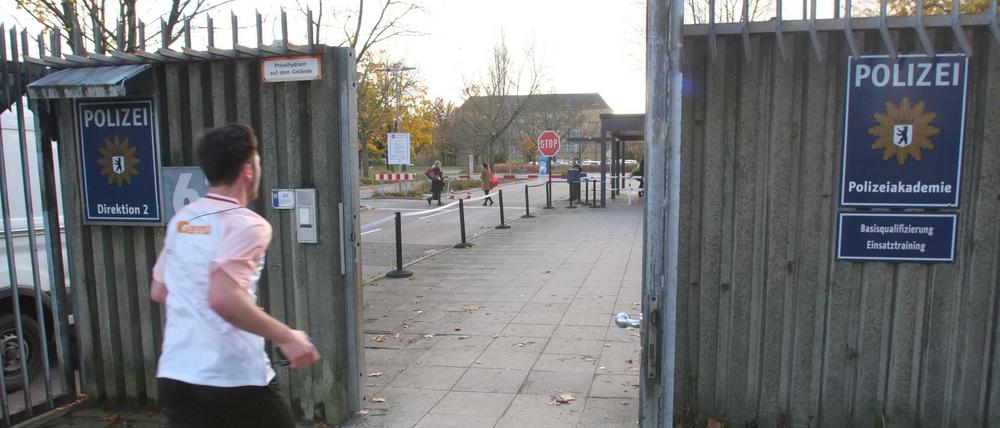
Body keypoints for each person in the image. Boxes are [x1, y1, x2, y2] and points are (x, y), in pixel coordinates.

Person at [150, 123, 320, 428]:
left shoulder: (183, 220)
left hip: (176, 374)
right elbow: (223, 297)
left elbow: (159, 291)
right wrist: (287, 336)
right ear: (248, 171)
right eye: (258, 161)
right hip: (232, 375)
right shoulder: (247, 224)